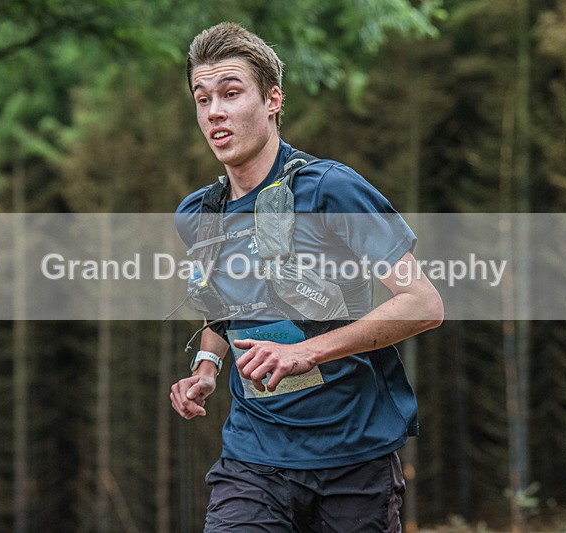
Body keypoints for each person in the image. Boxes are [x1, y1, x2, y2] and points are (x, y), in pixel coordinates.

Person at [169, 21, 443, 532]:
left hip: (352, 459)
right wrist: (207, 366)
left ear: (273, 100)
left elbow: (422, 304)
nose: (215, 112)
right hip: (254, 458)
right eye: (202, 99)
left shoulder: (331, 190)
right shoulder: (199, 214)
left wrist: (304, 352)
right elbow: (224, 305)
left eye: (231, 93)